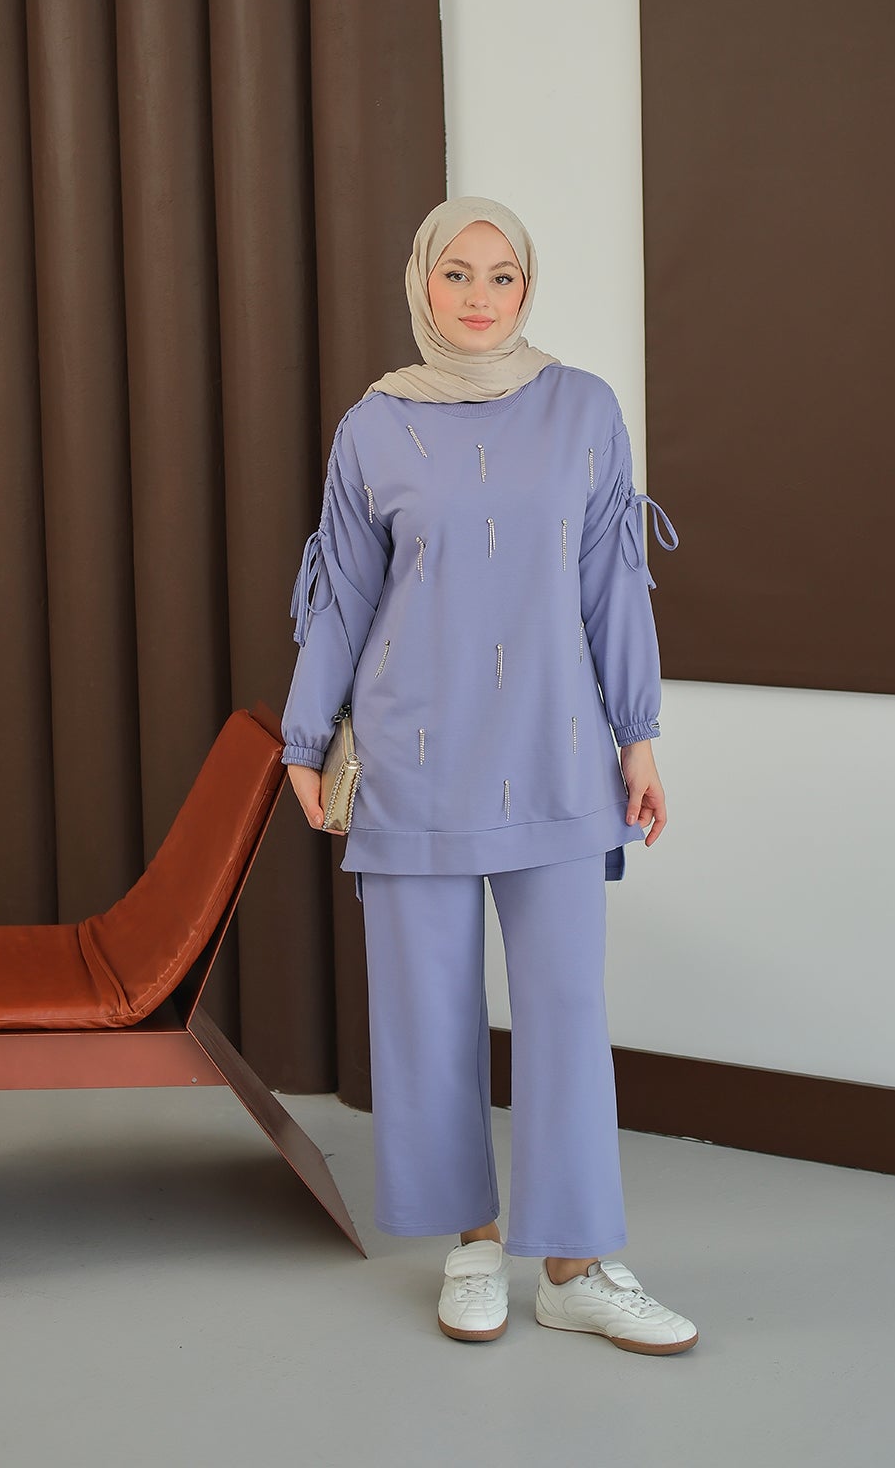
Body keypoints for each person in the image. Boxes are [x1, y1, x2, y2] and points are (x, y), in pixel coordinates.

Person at [280, 195, 697, 1356]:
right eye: (455, 272)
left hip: (557, 751)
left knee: (565, 1010)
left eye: (500, 274)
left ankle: (574, 1265)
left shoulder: (584, 408)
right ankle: (472, 1244)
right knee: (427, 1013)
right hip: (409, 756)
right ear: (421, 282)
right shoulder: (373, 426)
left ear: (527, 287)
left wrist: (639, 734)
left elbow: (614, 580)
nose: (477, 295)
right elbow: (342, 594)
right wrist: (305, 739)